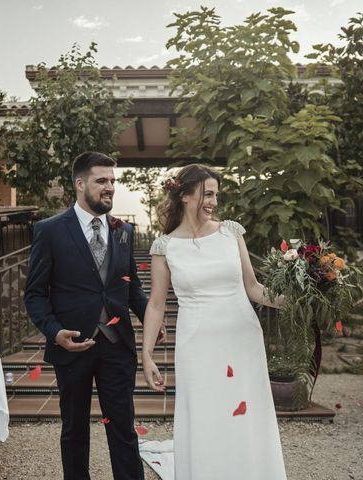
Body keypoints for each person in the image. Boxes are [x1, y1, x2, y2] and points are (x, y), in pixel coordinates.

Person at [142, 164, 287, 479]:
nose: (214, 202)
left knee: (247, 416)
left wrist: (294, 300)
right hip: (197, 344)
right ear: (184, 195)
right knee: (206, 416)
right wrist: (147, 354)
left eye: (216, 195)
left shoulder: (230, 232)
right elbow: (155, 304)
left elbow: (253, 287)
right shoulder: (165, 247)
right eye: (207, 194)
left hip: (242, 337)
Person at [24, 151, 163, 480]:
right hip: (72, 347)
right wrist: (54, 331)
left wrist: (150, 319)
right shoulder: (50, 231)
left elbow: (132, 290)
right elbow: (34, 294)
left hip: (117, 347)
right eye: (102, 181)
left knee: (124, 430)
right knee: (74, 430)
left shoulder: (123, 231)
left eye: (113, 181)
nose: (110, 187)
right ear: (80, 183)